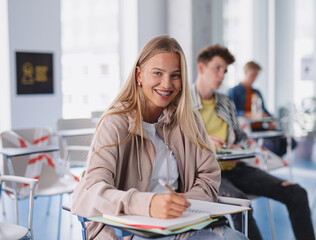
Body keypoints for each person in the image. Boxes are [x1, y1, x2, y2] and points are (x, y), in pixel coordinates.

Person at [71, 36, 246, 240]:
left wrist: (177, 205)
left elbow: (209, 178)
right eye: (157, 73)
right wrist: (149, 204)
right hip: (127, 232)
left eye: (175, 75)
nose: (167, 84)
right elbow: (92, 190)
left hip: (180, 226)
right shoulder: (114, 123)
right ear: (139, 74)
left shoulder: (189, 121)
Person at [190, 44, 315, 240]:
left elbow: (241, 136)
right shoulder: (183, 103)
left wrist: (237, 145)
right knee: (241, 203)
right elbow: (175, 143)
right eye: (217, 68)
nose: (221, 75)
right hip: (207, 175)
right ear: (201, 68)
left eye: (225, 70)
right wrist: (205, 142)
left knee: (297, 192)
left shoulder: (225, 101)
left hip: (236, 168)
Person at [228, 61, 295, 156]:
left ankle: (272, 160)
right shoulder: (234, 91)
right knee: (273, 145)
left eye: (256, 75)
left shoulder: (257, 92)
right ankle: (267, 161)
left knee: (289, 141)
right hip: (248, 130)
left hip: (261, 127)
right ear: (245, 72)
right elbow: (231, 112)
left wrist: (271, 120)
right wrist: (248, 114)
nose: (254, 78)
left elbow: (264, 110)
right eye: (252, 75)